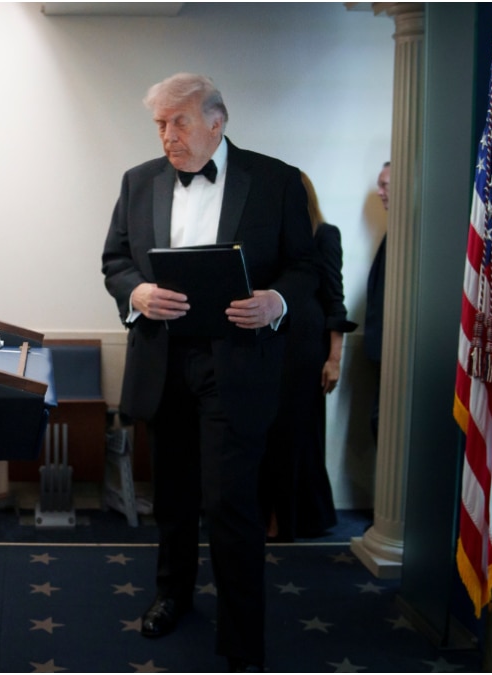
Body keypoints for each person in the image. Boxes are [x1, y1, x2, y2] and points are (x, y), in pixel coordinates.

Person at [101, 73, 316, 672]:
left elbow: (306, 266)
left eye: (179, 123)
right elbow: (115, 260)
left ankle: (243, 633)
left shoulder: (275, 181)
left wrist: (277, 301)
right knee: (171, 496)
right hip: (163, 362)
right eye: (160, 125)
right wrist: (138, 291)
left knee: (229, 502)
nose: (168, 136)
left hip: (237, 363)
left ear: (217, 122)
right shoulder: (138, 181)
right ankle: (172, 594)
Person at [259, 172, 356, 541]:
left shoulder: (324, 233)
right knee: (264, 432)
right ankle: (265, 513)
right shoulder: (269, 237)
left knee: (295, 433)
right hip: (268, 344)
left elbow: (335, 299)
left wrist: (334, 358)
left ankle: (289, 518)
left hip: (305, 349)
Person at [363, 162, 390, 439]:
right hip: (380, 357)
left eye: (385, 185)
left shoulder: (407, 238)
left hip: (394, 358)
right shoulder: (389, 234)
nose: (380, 192)